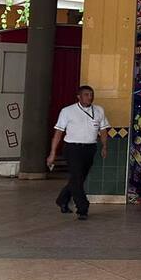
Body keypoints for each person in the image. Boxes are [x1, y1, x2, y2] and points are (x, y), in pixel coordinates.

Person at [49, 85, 110, 220]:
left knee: (78, 179)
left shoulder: (99, 110)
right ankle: (83, 208)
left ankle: (62, 200)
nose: (90, 97)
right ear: (79, 96)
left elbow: (103, 130)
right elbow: (58, 132)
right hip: (72, 148)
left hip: (90, 148)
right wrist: (53, 152)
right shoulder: (67, 111)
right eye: (86, 94)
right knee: (77, 178)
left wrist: (104, 146)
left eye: (91, 94)